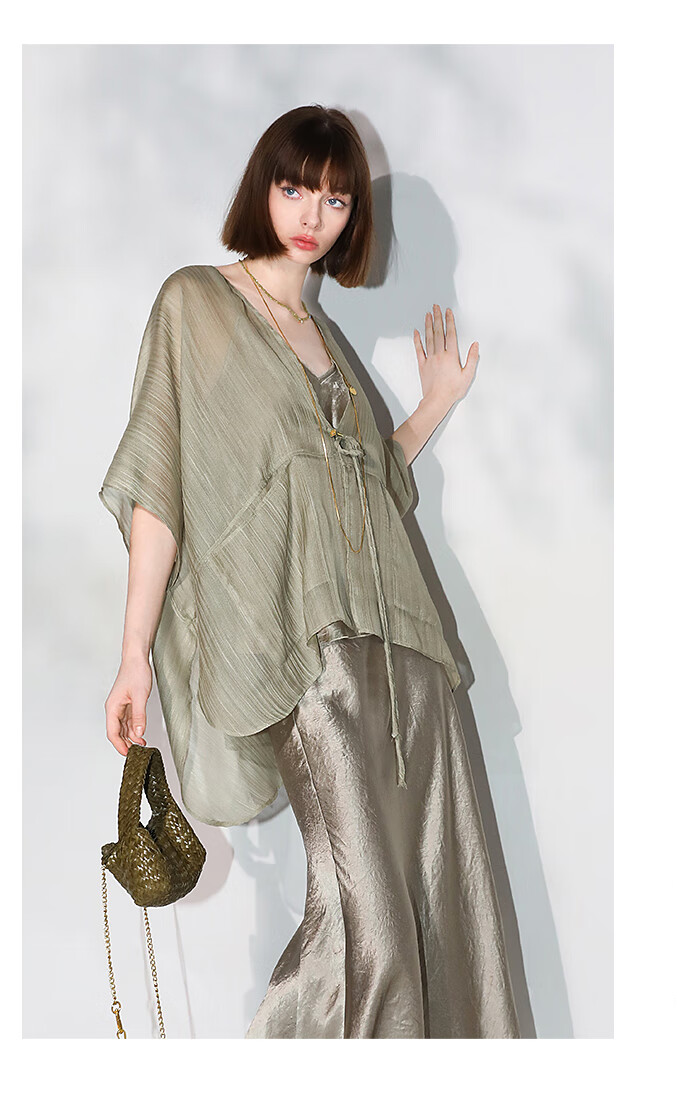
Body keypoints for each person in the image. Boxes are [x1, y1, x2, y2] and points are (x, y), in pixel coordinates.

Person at [100, 103, 521, 1039]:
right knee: (368, 924)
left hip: (405, 656)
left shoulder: (324, 338)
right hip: (311, 662)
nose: (312, 216)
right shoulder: (196, 305)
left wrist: (431, 407)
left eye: (335, 200)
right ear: (264, 186)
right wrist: (133, 654)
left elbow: (367, 490)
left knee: (440, 903)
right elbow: (161, 486)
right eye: (295, 188)